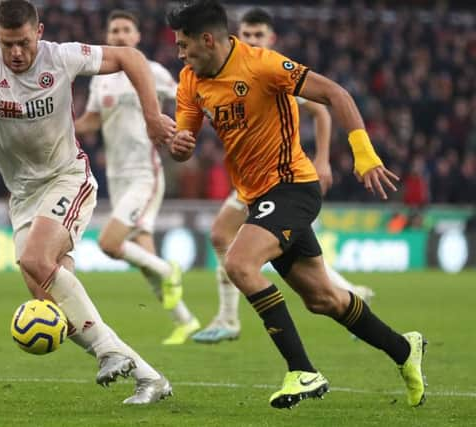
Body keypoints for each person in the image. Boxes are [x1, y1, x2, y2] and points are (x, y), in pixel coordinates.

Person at [166, 0, 426, 409]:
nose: (180, 54)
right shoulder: (190, 79)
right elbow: (184, 140)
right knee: (323, 299)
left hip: (292, 187)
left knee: (239, 263)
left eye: (184, 45)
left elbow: (335, 94)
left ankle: (303, 371)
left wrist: (363, 152)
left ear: (208, 39)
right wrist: (179, 144)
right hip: (258, 197)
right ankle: (404, 349)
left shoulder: (263, 65)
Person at [0, 0, 175, 405]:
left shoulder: (62, 57)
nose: (16, 53)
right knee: (53, 301)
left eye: (23, 42)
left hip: (67, 178)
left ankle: (109, 352)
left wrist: (151, 116)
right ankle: (149, 377)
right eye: (8, 44)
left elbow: (130, 57)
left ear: (38, 32)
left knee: (36, 261)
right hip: (23, 196)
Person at [193, 7, 375, 344]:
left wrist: (323, 160)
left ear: (271, 38)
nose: (251, 39)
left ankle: (231, 318)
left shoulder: (273, 69)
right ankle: (347, 294)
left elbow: (322, 110)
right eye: (247, 33)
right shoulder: (227, 69)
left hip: (284, 176)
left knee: (255, 246)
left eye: (259, 35)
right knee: (224, 236)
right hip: (252, 178)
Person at [75, 10, 199, 345]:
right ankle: (186, 321)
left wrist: (182, 132)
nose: (118, 36)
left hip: (145, 174)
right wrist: (59, 129)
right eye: (113, 30)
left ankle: (168, 270)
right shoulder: (100, 78)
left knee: (109, 243)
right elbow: (91, 121)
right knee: (144, 254)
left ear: (136, 37)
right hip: (117, 178)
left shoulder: (151, 71)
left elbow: (185, 98)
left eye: (124, 30)